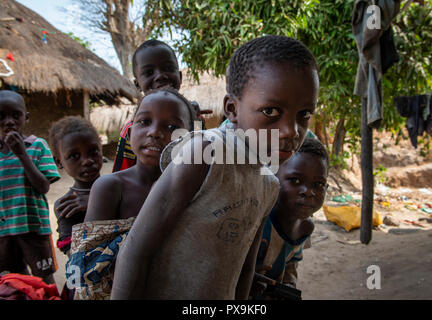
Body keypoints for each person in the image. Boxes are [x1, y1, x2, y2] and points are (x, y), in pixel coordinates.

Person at [111, 35, 320, 300]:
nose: (291, 130)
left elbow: (245, 267)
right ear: (232, 109)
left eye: (304, 114)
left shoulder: (269, 184)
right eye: (270, 111)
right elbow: (136, 250)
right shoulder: (203, 155)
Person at [66, 88, 199, 300]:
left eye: (172, 127)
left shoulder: (196, 191)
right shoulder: (110, 187)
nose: (155, 132)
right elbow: (89, 263)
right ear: (129, 134)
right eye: (145, 122)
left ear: (190, 141)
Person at [250, 138, 329, 300]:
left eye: (318, 184)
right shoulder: (257, 221)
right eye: (295, 180)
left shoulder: (305, 227)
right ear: (273, 177)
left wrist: (289, 285)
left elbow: (291, 263)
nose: (308, 192)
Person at [113, 39, 208, 173]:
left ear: (180, 77)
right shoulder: (133, 128)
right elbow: (122, 175)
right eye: (149, 72)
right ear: (137, 85)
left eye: (168, 69)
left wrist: (195, 118)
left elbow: (199, 159)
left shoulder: (197, 121)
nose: (160, 76)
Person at [0, 90, 60, 285]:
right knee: (15, 281)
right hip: (4, 232)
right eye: (1, 117)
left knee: (45, 279)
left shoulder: (37, 146)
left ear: (26, 117)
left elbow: (43, 186)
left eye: (15, 115)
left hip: (35, 230)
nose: (9, 121)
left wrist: (22, 155)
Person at [49, 116, 103, 257]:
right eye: (74, 156)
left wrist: (94, 203)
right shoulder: (66, 205)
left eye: (93, 151)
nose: (87, 161)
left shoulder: (120, 185)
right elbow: (74, 253)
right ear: (59, 162)